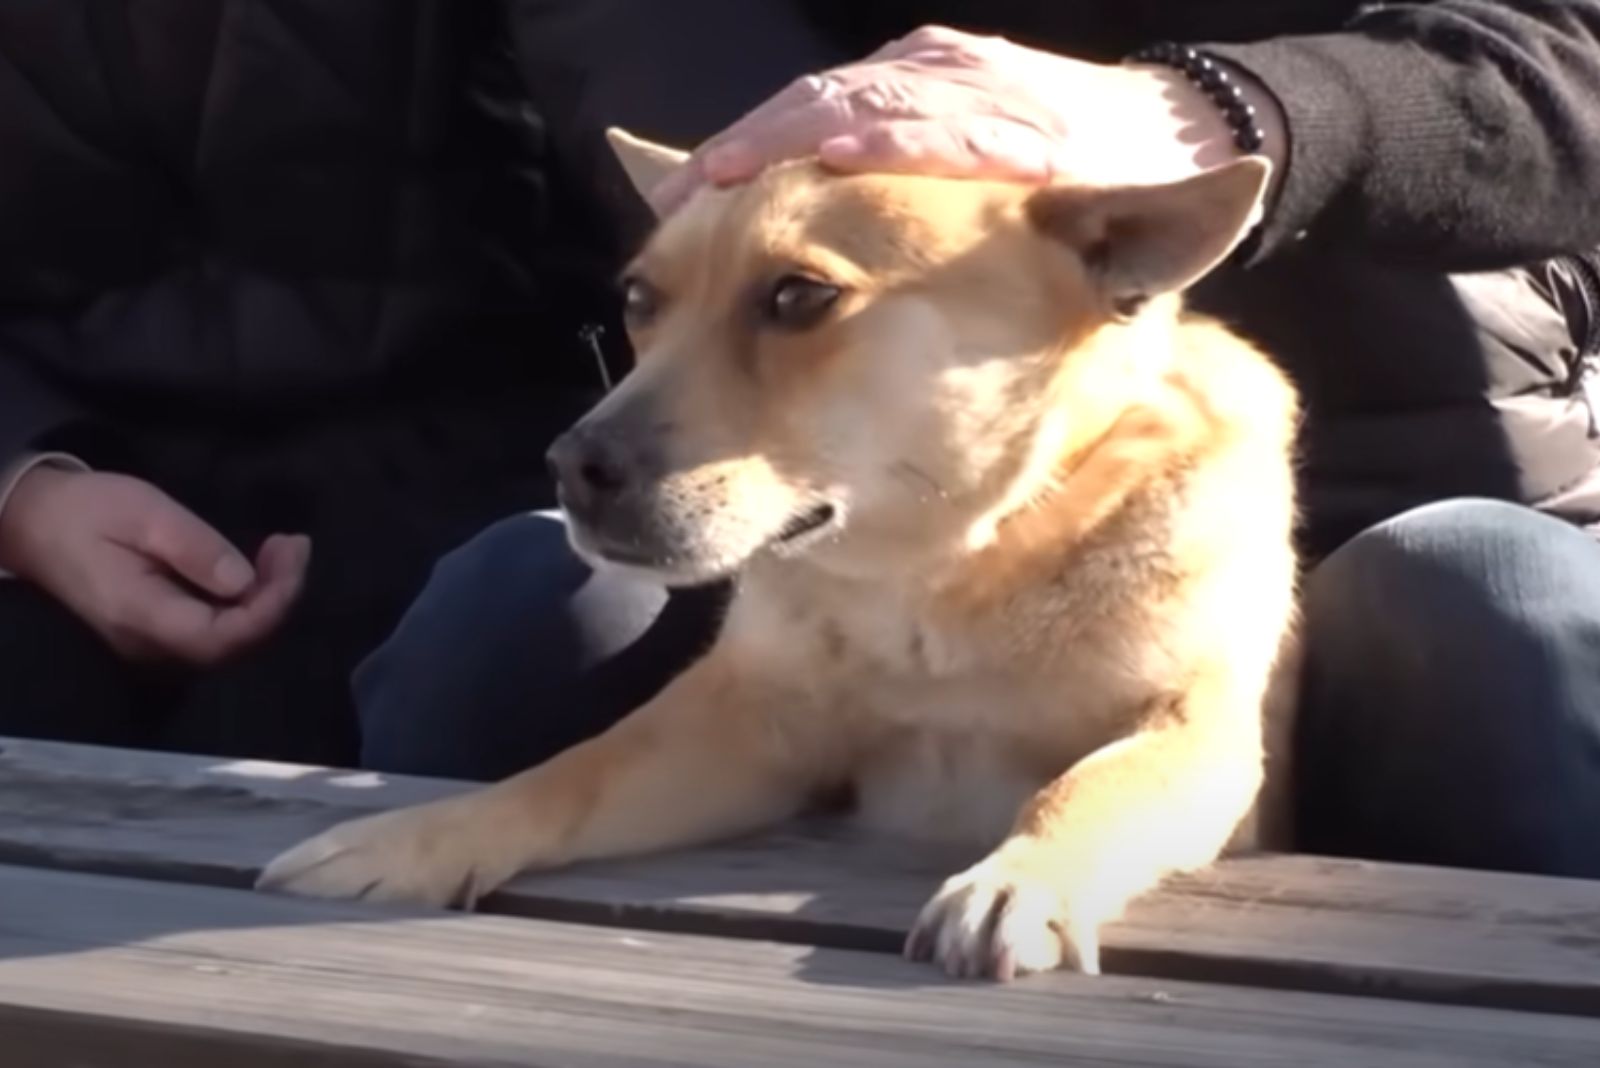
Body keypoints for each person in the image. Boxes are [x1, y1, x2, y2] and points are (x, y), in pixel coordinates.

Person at [356, 1, 1600, 881]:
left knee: (1491, 606)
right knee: (509, 612)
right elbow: (671, 80)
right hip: (849, 494)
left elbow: (1570, 64)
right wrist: (801, 174)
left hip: (1406, 484)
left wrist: (1204, 111)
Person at [0, 1, 824, 766]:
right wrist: (23, 495)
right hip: (75, 488)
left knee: (521, 644)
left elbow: (714, 140)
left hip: (494, 461)